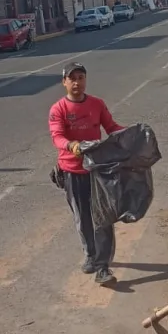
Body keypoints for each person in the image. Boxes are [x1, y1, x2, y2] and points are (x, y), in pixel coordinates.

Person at [49, 61, 123, 286]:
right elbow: (57, 136)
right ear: (64, 82)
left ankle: (103, 267)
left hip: (97, 170)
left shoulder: (97, 104)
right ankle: (90, 254)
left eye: (80, 77)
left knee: (103, 217)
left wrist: (131, 133)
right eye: (72, 78)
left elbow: (111, 127)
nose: (77, 82)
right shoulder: (58, 109)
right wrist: (71, 145)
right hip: (72, 171)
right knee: (83, 219)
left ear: (85, 80)